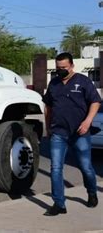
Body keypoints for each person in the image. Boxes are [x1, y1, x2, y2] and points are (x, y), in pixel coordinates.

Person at [42, 52, 100, 216]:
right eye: (58, 68)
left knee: (86, 167)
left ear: (72, 66)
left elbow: (95, 102)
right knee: (56, 168)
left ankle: (92, 192)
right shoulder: (53, 84)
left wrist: (88, 121)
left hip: (80, 132)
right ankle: (59, 203)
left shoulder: (83, 81)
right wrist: (48, 128)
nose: (60, 71)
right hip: (59, 133)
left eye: (64, 68)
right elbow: (48, 107)